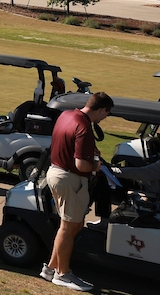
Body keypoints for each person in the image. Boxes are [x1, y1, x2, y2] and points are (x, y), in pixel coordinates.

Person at [41, 91, 113, 291]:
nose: (104, 118)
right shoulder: (84, 126)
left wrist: (91, 153)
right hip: (70, 178)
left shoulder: (67, 115)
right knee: (69, 226)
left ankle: (51, 268)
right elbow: (82, 165)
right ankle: (63, 274)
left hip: (56, 172)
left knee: (71, 225)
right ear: (100, 109)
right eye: (105, 114)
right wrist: (96, 166)